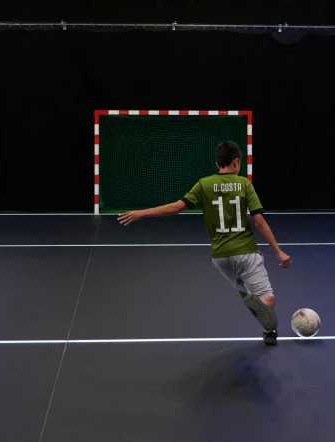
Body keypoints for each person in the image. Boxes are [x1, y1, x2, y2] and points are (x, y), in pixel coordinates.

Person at [117, 141, 291, 345]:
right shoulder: (244, 184)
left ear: (217, 163)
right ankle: (266, 318)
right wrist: (278, 252)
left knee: (244, 290)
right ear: (236, 162)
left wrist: (142, 213)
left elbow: (176, 208)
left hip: (220, 257)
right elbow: (259, 222)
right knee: (266, 299)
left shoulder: (204, 184)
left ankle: (269, 332)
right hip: (245, 252)